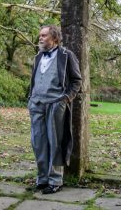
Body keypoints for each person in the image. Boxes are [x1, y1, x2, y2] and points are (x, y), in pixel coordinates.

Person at [28, 25, 82, 194]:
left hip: (55, 103)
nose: (40, 38)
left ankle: (55, 180)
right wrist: (30, 99)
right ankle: (43, 178)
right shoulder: (38, 57)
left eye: (44, 35)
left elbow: (76, 80)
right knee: (38, 143)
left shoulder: (66, 56)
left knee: (55, 143)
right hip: (36, 104)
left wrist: (66, 99)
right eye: (40, 36)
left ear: (55, 39)